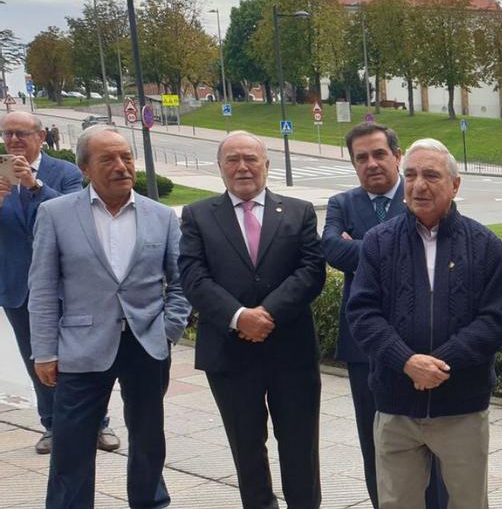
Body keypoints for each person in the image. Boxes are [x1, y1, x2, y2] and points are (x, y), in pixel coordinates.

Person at [27, 125, 190, 508]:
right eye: (108, 160)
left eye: (126, 157)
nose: (121, 166)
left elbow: (183, 281)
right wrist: (44, 351)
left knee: (149, 437)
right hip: (81, 347)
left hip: (147, 343)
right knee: (72, 442)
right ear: (84, 168)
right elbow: (44, 287)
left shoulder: (161, 216)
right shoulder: (56, 214)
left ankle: (150, 502)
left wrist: (169, 330)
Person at [347, 139, 502, 509]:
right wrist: (407, 362)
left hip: (461, 407)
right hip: (396, 404)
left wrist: (440, 363)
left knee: (469, 503)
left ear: (455, 185)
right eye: (411, 175)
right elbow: (362, 313)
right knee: (397, 502)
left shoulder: (483, 244)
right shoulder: (377, 242)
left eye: (431, 175)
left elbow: (495, 319)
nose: (419, 185)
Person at [178, 130, 327, 509]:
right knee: (246, 445)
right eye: (232, 159)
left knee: (300, 444)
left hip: (291, 351)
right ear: (220, 167)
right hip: (229, 353)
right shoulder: (197, 215)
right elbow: (193, 276)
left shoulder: (299, 211)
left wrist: (268, 314)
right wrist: (239, 316)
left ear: (266, 165)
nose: (242, 167)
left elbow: (311, 271)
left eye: (251, 158)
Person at [321, 122, 448, 508]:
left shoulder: (421, 195)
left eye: (379, 154)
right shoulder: (342, 205)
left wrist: (360, 251)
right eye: (362, 157)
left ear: (398, 155)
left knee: (434, 445)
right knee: (376, 442)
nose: (372, 163)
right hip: (366, 349)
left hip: (424, 346)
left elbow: (434, 253)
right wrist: (395, 253)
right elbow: (330, 248)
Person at [1, 112, 119, 455]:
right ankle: (52, 426)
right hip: (17, 284)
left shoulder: (65, 172)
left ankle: (98, 423)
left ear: (40, 136)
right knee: (36, 357)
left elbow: (77, 215)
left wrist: (34, 186)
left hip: (67, 283)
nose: (13, 141)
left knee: (81, 356)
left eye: (21, 133)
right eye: (7, 134)